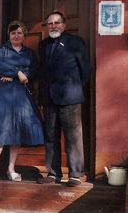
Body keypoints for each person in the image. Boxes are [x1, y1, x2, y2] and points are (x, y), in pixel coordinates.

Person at [0, 20, 44, 182]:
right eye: (13, 33)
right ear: (9, 35)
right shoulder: (1, 50)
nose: (16, 36)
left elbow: (33, 70)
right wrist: (19, 73)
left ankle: (11, 169)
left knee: (16, 132)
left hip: (22, 96)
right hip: (4, 96)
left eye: (19, 33)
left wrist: (15, 74)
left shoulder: (29, 53)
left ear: (24, 35)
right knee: (1, 129)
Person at [37, 11, 91, 187]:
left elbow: (86, 70)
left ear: (64, 25)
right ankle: (53, 174)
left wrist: (73, 87)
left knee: (73, 137)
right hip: (49, 99)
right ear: (46, 27)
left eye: (57, 23)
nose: (54, 26)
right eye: (50, 23)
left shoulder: (75, 42)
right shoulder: (43, 45)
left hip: (70, 98)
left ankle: (75, 174)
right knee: (51, 137)